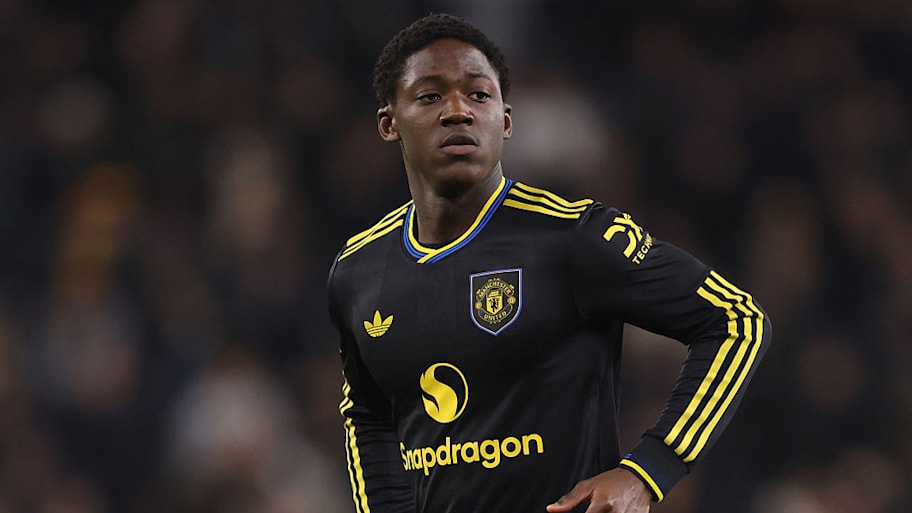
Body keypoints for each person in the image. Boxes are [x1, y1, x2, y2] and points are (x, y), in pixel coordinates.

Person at [327, 13, 771, 513]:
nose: (458, 111)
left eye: (479, 95)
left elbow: (737, 320)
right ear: (389, 123)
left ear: (506, 121)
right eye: (430, 96)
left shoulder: (573, 237)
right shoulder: (357, 271)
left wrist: (647, 470)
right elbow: (369, 414)